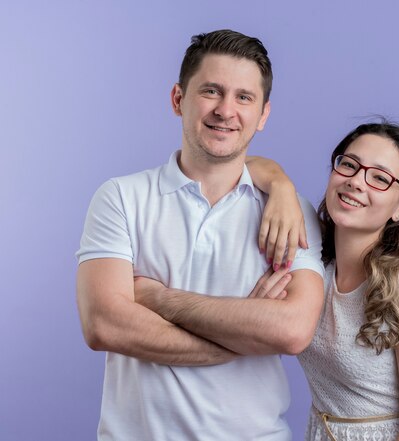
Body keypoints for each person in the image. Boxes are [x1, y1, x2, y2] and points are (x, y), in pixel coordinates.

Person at [75, 29, 324, 440]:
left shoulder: (290, 213)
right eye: (211, 91)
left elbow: (292, 331)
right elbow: (105, 325)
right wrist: (243, 335)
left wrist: (158, 299)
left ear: (263, 115)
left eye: (244, 97)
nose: (226, 110)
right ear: (178, 99)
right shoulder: (121, 197)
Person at [247, 121, 399, 440]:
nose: (355, 182)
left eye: (379, 178)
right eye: (349, 165)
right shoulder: (314, 265)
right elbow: (242, 164)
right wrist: (281, 186)